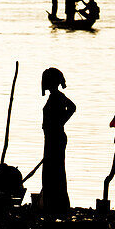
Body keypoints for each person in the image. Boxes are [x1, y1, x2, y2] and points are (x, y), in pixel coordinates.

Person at [41, 67, 76, 212]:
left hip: (55, 138)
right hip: (52, 137)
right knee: (52, 170)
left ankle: (56, 205)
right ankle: (54, 204)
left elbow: (73, 108)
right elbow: (72, 108)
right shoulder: (55, 97)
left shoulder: (57, 97)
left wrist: (60, 122)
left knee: (54, 171)